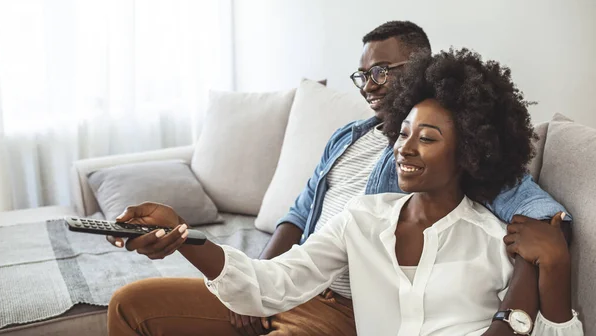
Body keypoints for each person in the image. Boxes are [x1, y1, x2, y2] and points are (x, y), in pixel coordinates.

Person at [107, 22, 573, 336]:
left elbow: (538, 221)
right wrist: (189, 240)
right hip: (300, 280)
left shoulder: (484, 223)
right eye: (363, 74)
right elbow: (295, 220)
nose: (369, 83)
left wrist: (531, 285)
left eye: (382, 71)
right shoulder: (353, 158)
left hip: (343, 307)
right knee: (132, 303)